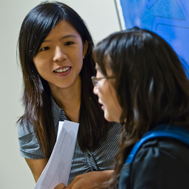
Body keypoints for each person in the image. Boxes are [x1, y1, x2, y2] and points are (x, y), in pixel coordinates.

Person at [17, 2, 120, 188]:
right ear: (31, 60)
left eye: (68, 43)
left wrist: (104, 178)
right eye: (45, 48)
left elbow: (160, 160)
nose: (59, 56)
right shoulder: (30, 129)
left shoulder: (117, 94)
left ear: (85, 48)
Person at [92, 27, 189, 188]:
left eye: (100, 78)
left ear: (131, 83)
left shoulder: (158, 158)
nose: (95, 90)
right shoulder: (169, 134)